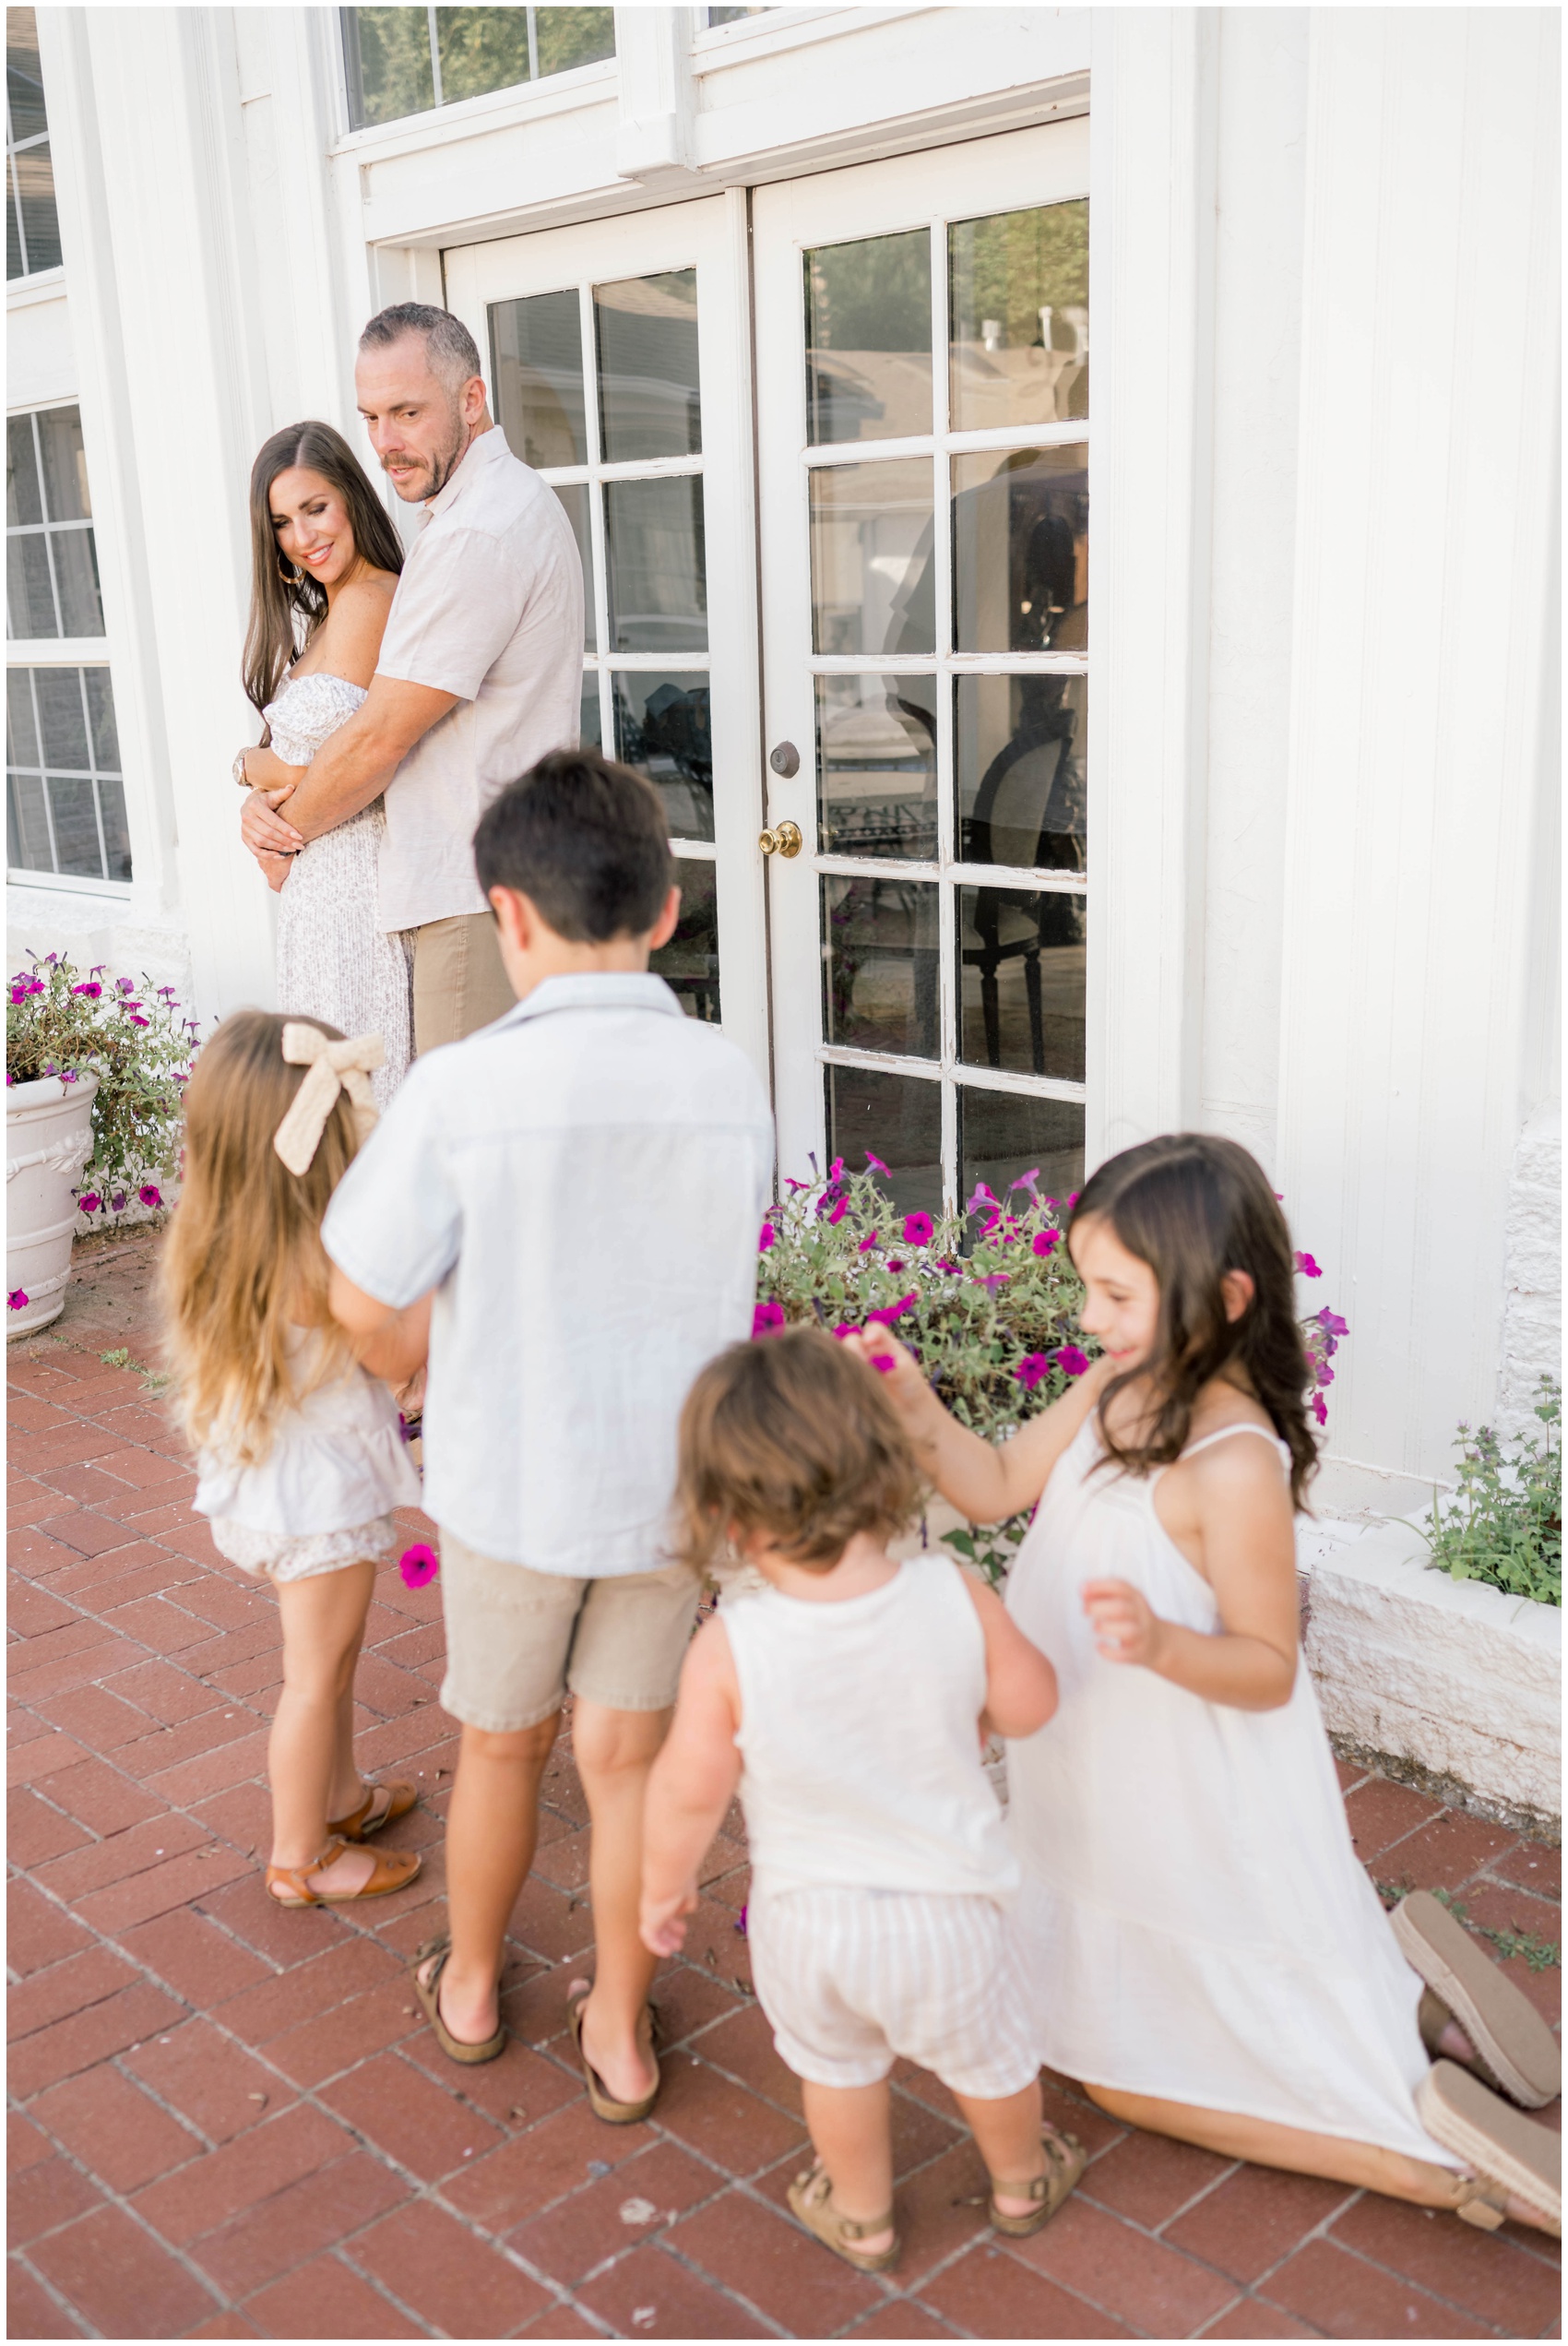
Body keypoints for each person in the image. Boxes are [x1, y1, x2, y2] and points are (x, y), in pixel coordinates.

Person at [849, 1133, 1561, 2238]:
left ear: (1223, 1297)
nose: (1089, 1319)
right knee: (1104, 2015)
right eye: (1086, 1286)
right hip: (1090, 1776)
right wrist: (908, 1401)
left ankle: (1427, 2160)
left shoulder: (1231, 1465)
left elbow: (1268, 1666)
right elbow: (989, 1486)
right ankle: (1428, 2017)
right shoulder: (1114, 1382)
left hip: (1181, 1796)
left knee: (1124, 2077)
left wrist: (1163, 1645)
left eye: (1115, 1293)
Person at [318, 748, 774, 2103]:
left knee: (500, 1742)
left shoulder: (462, 1089)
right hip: (669, 1484)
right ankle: (621, 2033)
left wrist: (416, 1358)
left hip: (513, 1480)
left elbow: (363, 1294)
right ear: (669, 910)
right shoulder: (723, 1073)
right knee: (626, 1757)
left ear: (506, 915)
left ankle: (470, 1982)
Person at [640, 1327, 1080, 2273]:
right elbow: (1031, 1702)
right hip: (948, 1915)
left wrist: (663, 1886)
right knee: (992, 2059)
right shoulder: (949, 1593)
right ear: (881, 1468)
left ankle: (861, 2211)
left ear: (727, 1514)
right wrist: (972, 1695)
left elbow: (684, 1790)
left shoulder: (733, 1643)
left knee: (836, 2071)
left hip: (806, 1924)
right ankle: (1017, 2180)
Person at [239, 302, 583, 1054]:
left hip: (473, 890)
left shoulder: (478, 533)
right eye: (371, 417)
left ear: (471, 399)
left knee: (457, 1152)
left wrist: (280, 832)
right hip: (476, 884)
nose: (386, 444)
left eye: (406, 411)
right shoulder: (474, 515)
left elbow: (378, 739)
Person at [160, 1010, 430, 1910]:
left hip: (279, 1490)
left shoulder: (230, 1237)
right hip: (313, 1505)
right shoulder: (314, 1271)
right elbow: (390, 1344)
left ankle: (343, 1794)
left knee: (338, 1656)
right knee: (314, 1675)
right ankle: (298, 1855)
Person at [234, 423, 411, 1107]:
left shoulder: (372, 599)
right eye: (282, 521)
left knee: (357, 1103)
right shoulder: (324, 620)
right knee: (326, 1104)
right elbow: (306, 766)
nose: (303, 536)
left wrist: (249, 769)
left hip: (355, 892)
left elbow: (356, 761)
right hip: (316, 897)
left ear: (351, 499)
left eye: (315, 508)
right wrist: (258, 805)